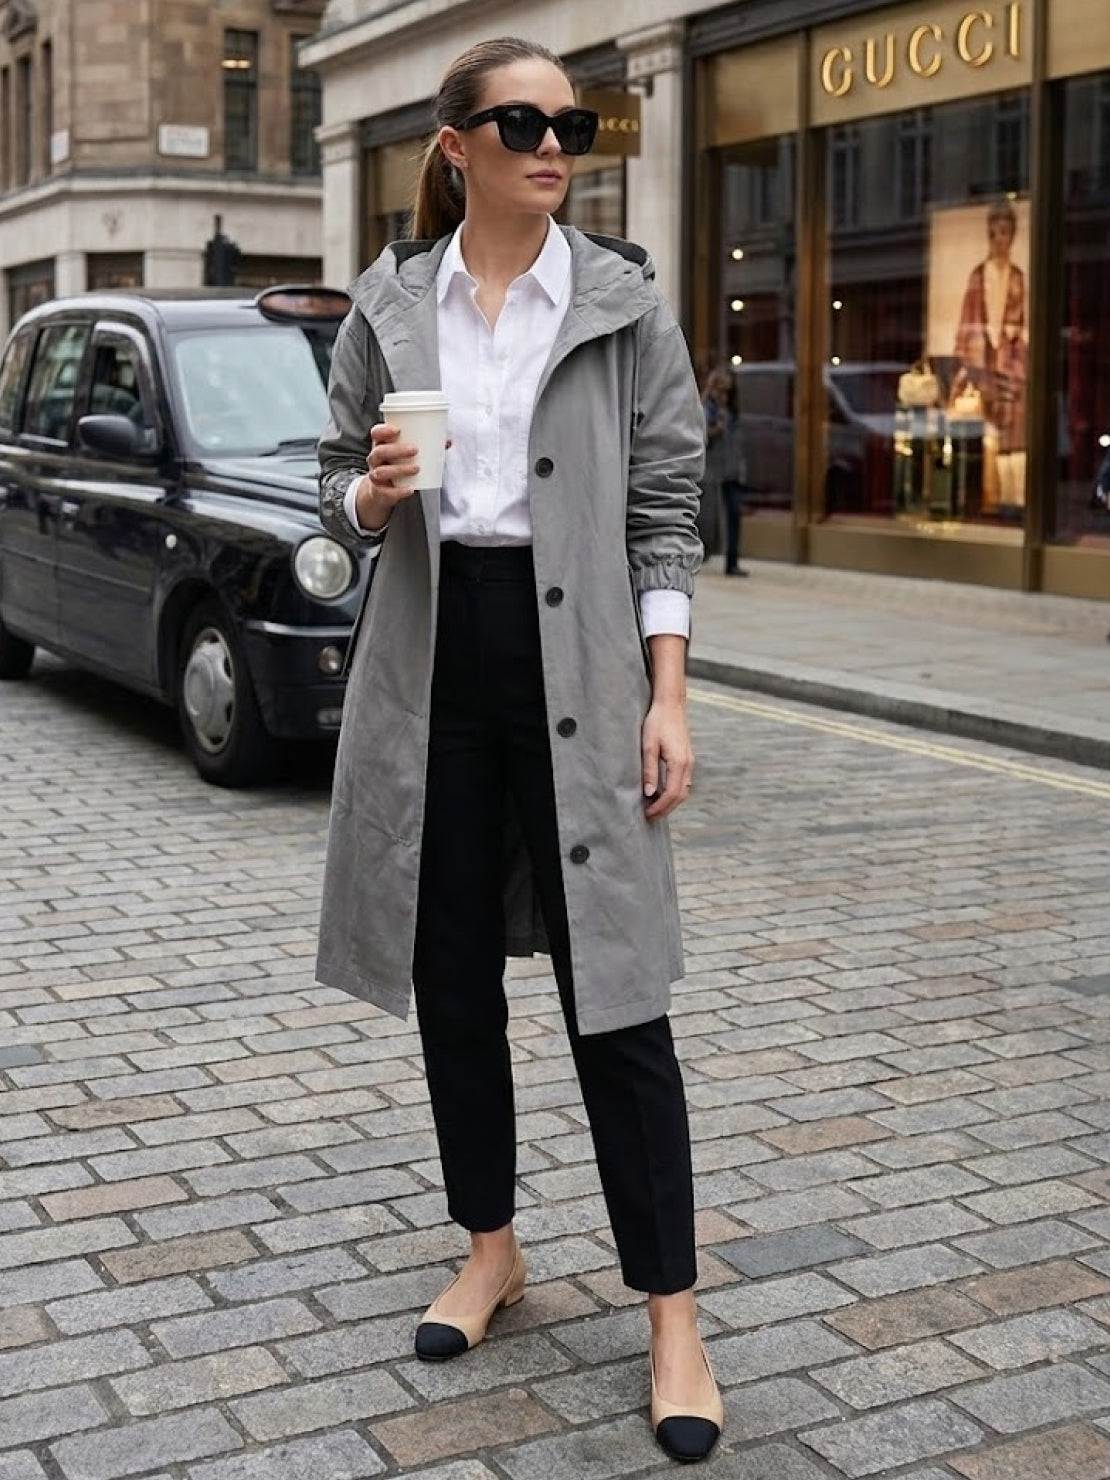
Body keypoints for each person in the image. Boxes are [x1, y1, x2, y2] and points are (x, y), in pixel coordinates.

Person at [314, 35, 722, 1465]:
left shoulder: (620, 302)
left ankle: (672, 1311)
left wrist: (665, 696)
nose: (557, 140)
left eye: (576, 119)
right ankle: (489, 1246)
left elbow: (664, 499)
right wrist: (367, 496)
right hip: (435, 664)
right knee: (450, 979)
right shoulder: (390, 302)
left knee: (617, 994)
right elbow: (330, 493)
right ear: (456, 146)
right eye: (525, 119)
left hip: (585, 661)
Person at [954, 199, 1028, 509]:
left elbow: (1022, 321)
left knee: (1013, 433)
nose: (1001, 239)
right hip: (983, 363)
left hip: (1010, 361)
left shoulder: (1017, 277)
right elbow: (968, 322)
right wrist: (969, 365)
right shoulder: (977, 275)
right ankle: (989, 498)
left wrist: (1015, 349)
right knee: (987, 434)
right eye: (996, 233)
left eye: (1006, 233)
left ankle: (1015, 499)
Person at [702, 366, 748, 576]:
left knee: (734, 513)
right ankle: (703, 552)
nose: (723, 396)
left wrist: (741, 469)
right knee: (707, 515)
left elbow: (738, 443)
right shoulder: (706, 409)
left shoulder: (732, 412)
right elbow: (698, 437)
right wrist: (714, 431)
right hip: (711, 471)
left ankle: (732, 560)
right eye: (720, 391)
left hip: (731, 471)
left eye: (727, 392)